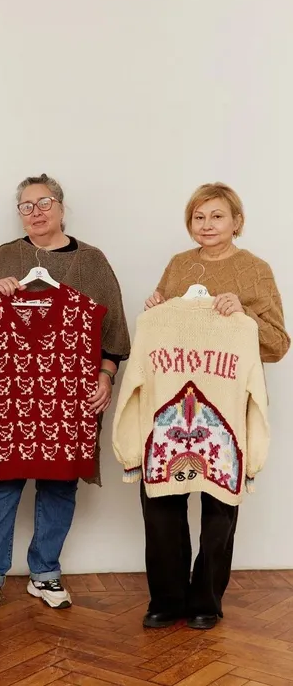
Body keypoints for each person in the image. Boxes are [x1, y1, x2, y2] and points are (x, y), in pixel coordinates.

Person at [0, 174, 130, 617]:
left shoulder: (92, 262)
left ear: (61, 206)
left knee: (59, 484)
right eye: (26, 206)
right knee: (0, 483)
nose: (36, 212)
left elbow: (113, 334)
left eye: (44, 202)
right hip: (9, 399)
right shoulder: (5, 257)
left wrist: (106, 376)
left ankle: (45, 571)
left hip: (71, 398)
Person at [141, 182, 289, 631]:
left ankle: (206, 598)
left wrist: (243, 312)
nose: (207, 225)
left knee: (219, 506)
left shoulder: (255, 270)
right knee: (161, 499)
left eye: (217, 216)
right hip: (172, 404)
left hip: (226, 406)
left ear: (237, 221)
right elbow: (162, 332)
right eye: (199, 217)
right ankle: (167, 599)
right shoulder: (178, 265)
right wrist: (156, 309)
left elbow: (278, 343)